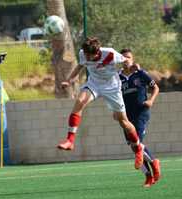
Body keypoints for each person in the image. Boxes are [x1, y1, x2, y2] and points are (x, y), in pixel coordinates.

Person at [57, 37, 144, 170]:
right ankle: (70, 140)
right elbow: (79, 67)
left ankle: (138, 148)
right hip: (94, 84)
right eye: (85, 54)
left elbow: (126, 61)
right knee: (80, 101)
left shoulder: (110, 53)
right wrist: (69, 81)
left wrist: (131, 67)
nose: (86, 57)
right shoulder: (83, 53)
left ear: (97, 53)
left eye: (89, 55)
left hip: (112, 88)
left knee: (124, 122)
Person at [119, 48, 161, 187]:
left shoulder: (140, 74)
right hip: (126, 116)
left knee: (137, 143)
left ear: (132, 59)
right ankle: (150, 171)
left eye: (128, 57)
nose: (126, 60)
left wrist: (150, 101)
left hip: (141, 113)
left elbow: (155, 88)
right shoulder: (117, 77)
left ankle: (152, 169)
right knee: (133, 146)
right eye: (123, 58)